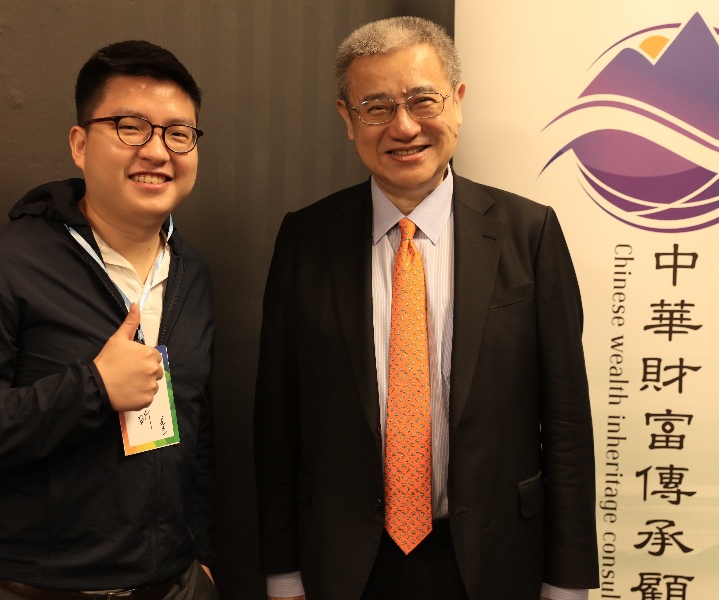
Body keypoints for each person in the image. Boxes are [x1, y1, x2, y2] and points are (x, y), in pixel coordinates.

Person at [254, 16, 599, 600]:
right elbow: (277, 422)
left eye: (423, 100)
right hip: (345, 564)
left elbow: (566, 422)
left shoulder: (529, 234)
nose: (404, 126)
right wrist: (283, 574)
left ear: (457, 102)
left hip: (495, 558)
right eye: (376, 107)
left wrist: (566, 581)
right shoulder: (305, 239)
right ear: (347, 119)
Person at [0, 41, 218, 599]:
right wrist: (92, 388)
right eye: (131, 127)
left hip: (175, 583)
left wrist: (201, 555)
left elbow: (199, 430)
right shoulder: (1, 264)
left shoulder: (193, 272)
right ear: (80, 145)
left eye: (178, 133)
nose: (157, 151)